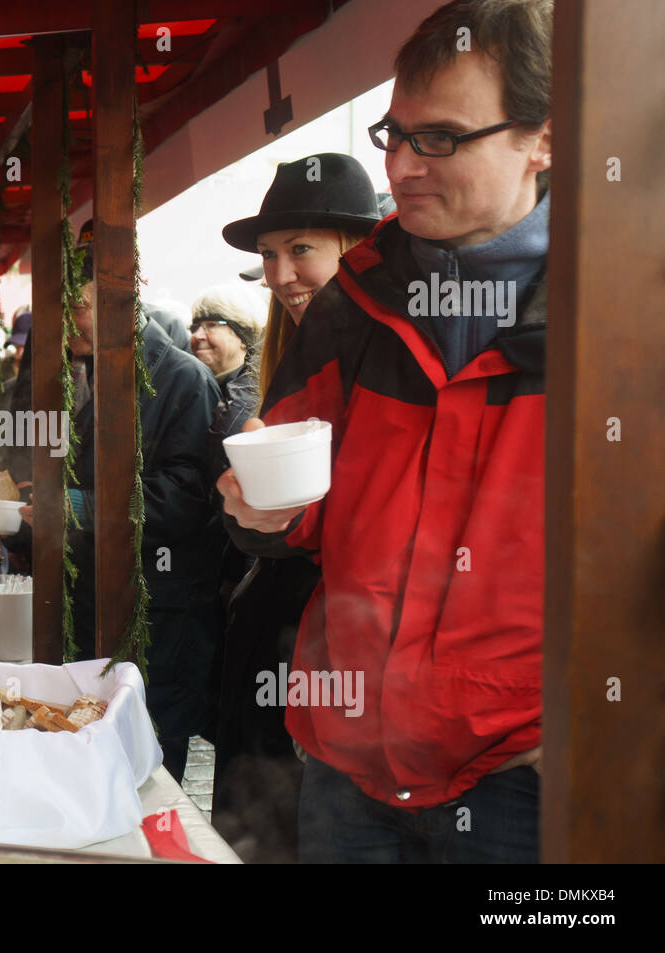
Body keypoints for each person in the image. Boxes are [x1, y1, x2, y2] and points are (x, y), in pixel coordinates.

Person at [217, 0, 552, 863]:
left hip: (522, 782)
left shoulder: (621, 307)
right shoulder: (354, 303)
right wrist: (266, 511)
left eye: (439, 137)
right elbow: (301, 502)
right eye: (393, 134)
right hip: (345, 769)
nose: (402, 165)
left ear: (543, 139)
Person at [210, 152, 383, 862]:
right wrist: (245, 513)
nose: (280, 274)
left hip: (337, 651)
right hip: (278, 645)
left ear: (360, 249)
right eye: (270, 255)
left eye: (301, 249)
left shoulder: (392, 350)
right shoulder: (289, 353)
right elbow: (258, 521)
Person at [30, 220, 224, 780]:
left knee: (151, 760)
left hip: (163, 612)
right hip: (110, 603)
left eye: (77, 307)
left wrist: (75, 507)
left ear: (123, 299)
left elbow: (186, 500)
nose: (66, 323)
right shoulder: (107, 376)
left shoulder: (181, 379)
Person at [189, 283, 267, 439]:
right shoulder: (193, 388)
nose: (198, 336)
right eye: (195, 327)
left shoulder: (251, 397)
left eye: (211, 325)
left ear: (243, 335)